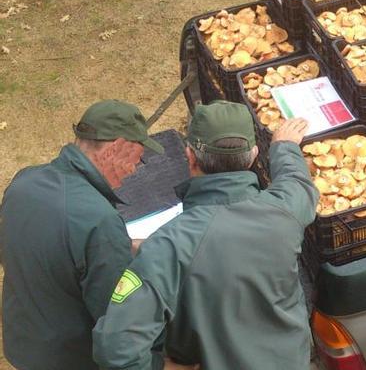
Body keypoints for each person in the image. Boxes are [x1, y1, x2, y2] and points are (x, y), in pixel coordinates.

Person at [93, 101, 319, 370]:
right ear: (254, 155)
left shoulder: (168, 245)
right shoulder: (285, 211)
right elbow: (298, 184)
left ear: (189, 156)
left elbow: (117, 350)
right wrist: (285, 146)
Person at [0, 99, 164, 369]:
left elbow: (48, 248)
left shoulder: (23, 180)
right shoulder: (99, 221)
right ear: (113, 150)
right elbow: (117, 320)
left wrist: (123, 246)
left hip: (23, 344)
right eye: (136, 159)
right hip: (69, 358)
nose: (135, 169)